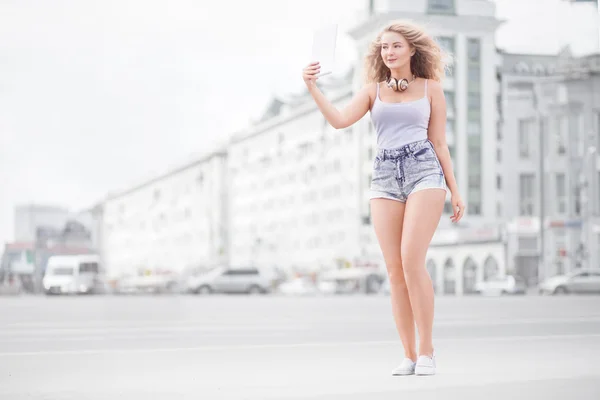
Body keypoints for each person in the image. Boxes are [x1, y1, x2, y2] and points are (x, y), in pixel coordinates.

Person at [302, 20, 465, 376]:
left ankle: (427, 351)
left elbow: (439, 143)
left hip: (425, 170)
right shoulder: (372, 91)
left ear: (412, 51)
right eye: (384, 47)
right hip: (385, 177)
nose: (388, 52)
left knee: (411, 260)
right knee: (394, 272)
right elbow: (341, 120)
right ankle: (408, 355)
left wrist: (454, 189)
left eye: (395, 46)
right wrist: (313, 87)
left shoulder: (431, 88)